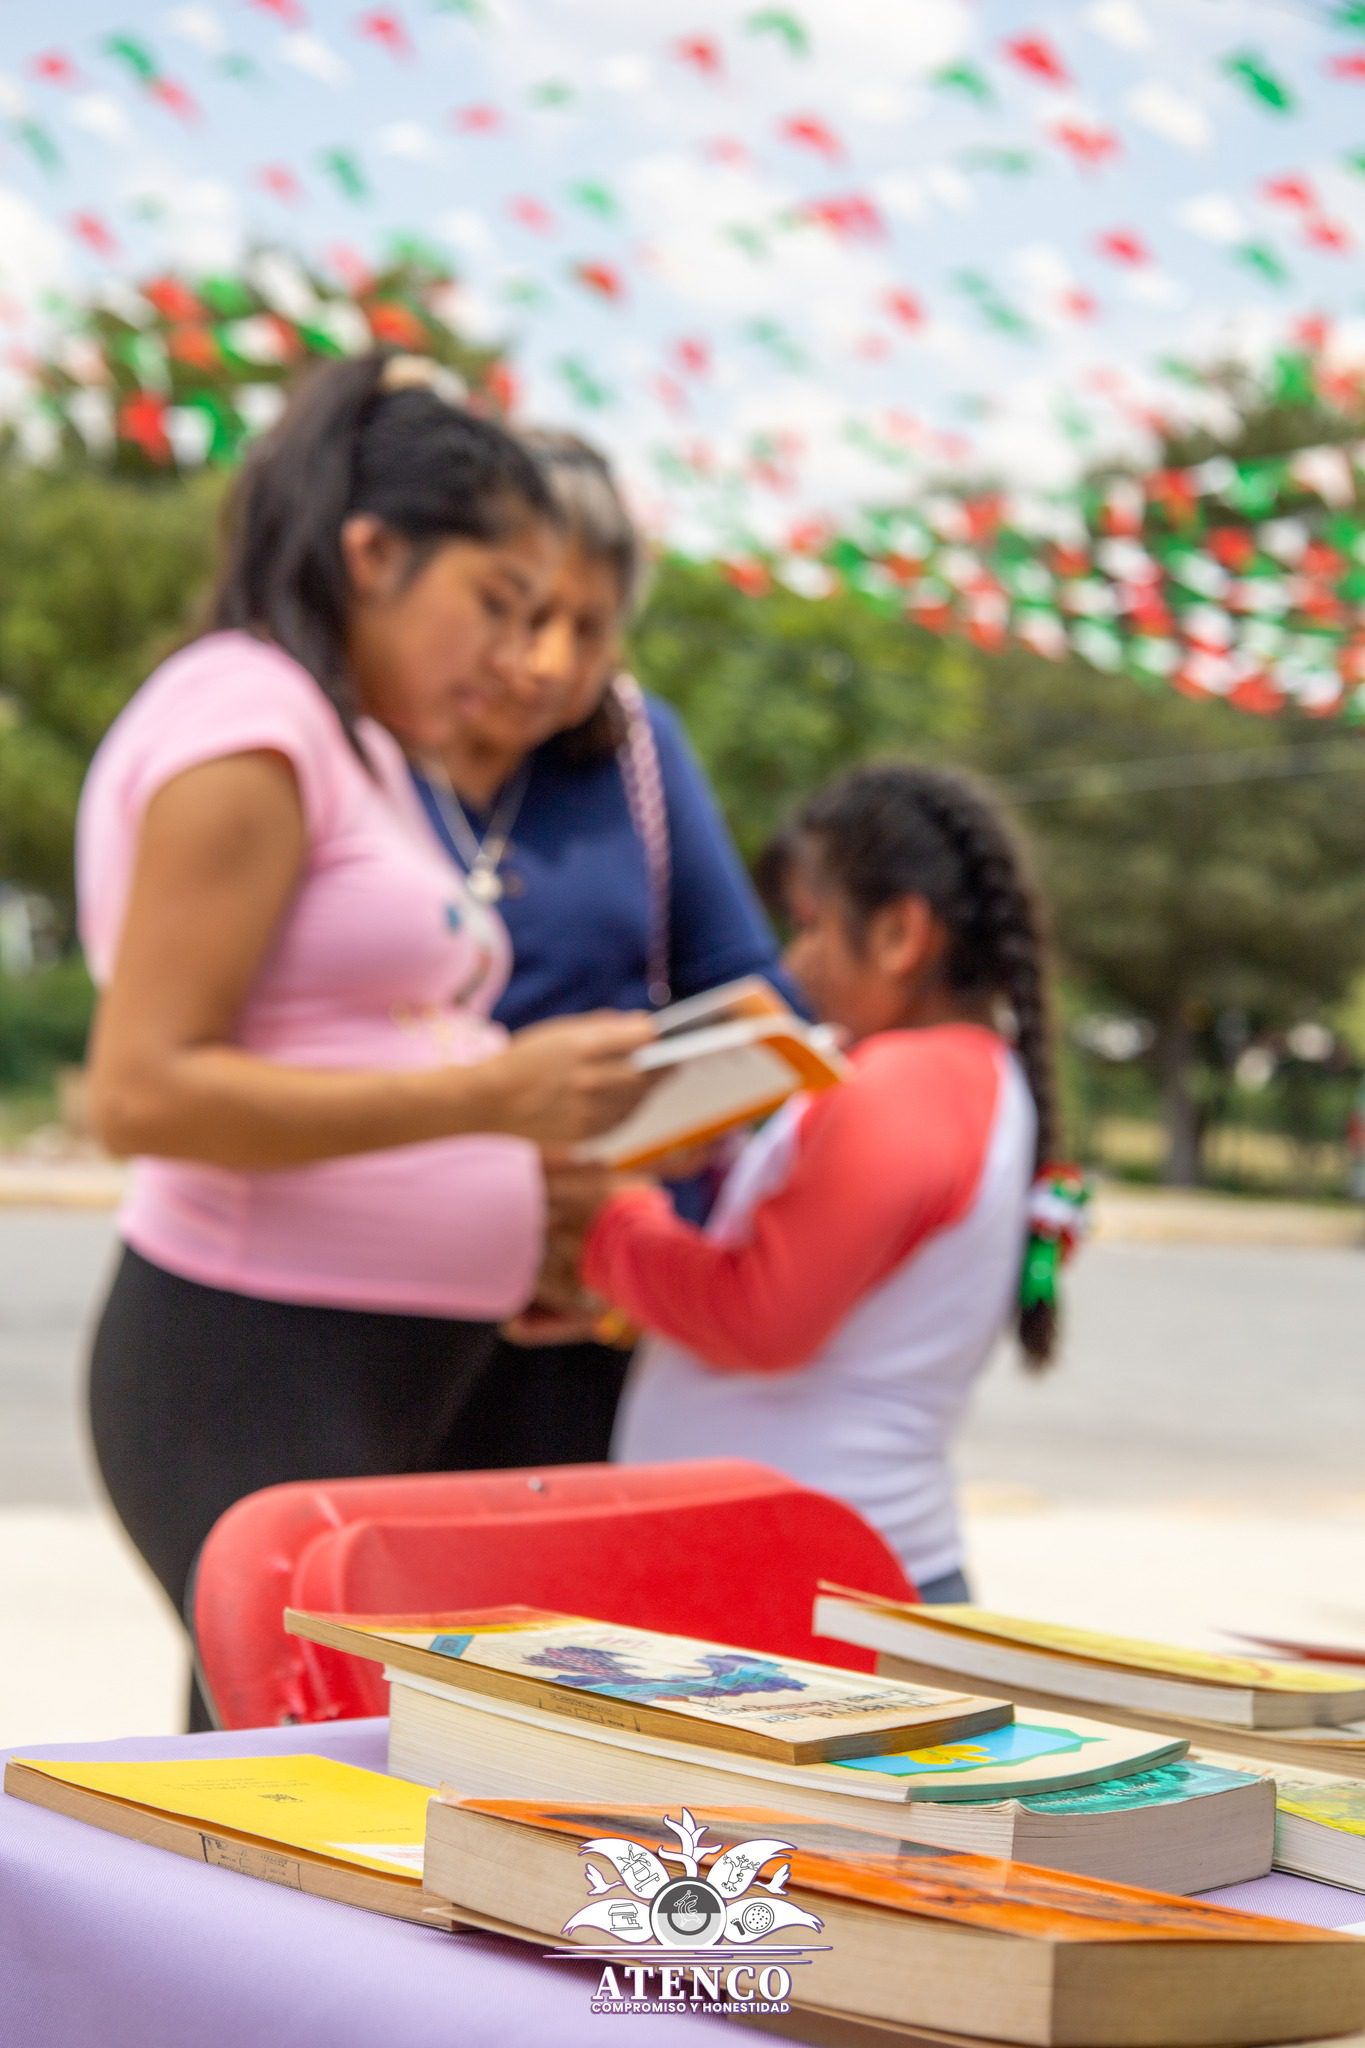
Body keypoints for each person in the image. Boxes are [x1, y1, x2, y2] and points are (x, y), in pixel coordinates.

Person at [77, 352, 655, 1725]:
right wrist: (493, 1108)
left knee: (279, 1780)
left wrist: (530, 1191)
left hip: (353, 1364)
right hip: (250, 1357)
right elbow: (143, 1092)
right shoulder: (248, 725)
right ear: (374, 552)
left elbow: (366, 1038)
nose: (516, 657)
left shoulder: (360, 745)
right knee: (301, 1781)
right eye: (493, 604)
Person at [578, 762, 1082, 1601]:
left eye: (811, 925)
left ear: (899, 934)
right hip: (826, 1569)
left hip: (814, 1585)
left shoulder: (900, 1084)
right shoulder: (962, 1076)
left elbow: (761, 1316)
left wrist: (609, 1215)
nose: (794, 959)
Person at [409, 429, 792, 1470]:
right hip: (382, 1280)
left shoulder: (637, 749)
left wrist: (674, 1137)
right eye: (529, 616)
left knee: (533, 1615)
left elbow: (754, 996)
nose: (551, 663)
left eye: (591, 627)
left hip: (578, 1311)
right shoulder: (366, 744)